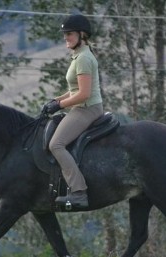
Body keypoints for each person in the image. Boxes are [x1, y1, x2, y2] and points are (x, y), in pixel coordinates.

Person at [42, 14, 103, 208]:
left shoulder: (84, 58)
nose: (65, 38)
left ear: (82, 35)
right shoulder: (79, 56)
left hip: (86, 109)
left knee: (56, 144)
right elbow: (74, 90)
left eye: (69, 34)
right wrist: (55, 100)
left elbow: (83, 94)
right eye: (65, 34)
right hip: (80, 107)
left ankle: (78, 192)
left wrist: (60, 106)